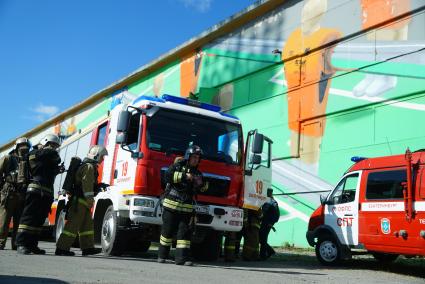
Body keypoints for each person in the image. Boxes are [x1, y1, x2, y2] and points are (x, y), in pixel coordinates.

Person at [158, 145, 207, 266]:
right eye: (194, 157)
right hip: (171, 206)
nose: (196, 160)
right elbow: (168, 176)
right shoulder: (178, 166)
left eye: (198, 158)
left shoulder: (198, 173)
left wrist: (202, 185)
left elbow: (203, 188)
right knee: (167, 232)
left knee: (184, 235)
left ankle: (181, 259)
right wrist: (185, 176)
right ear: (188, 157)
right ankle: (162, 256)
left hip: (186, 209)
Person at [55, 145, 108, 256]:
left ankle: (87, 248)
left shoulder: (89, 166)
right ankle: (61, 248)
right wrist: (90, 199)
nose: (102, 160)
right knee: (72, 226)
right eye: (102, 157)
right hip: (80, 201)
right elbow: (87, 184)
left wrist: (98, 187)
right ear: (96, 155)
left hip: (82, 202)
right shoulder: (89, 167)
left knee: (87, 226)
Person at [16, 134, 64, 255]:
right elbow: (48, 158)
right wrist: (49, 150)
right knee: (28, 218)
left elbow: (50, 167)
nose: (54, 148)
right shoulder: (35, 153)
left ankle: (32, 245)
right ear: (46, 143)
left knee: (39, 220)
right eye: (53, 145)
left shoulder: (48, 156)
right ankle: (21, 244)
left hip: (46, 192)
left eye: (56, 146)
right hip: (35, 189)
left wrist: (57, 170)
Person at [0, 137, 31, 250]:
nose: (25, 149)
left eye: (27, 147)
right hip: (9, 193)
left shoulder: (28, 161)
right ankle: (0, 242)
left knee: (19, 221)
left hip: (22, 194)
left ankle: (16, 243)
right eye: (22, 146)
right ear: (17, 147)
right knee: (4, 220)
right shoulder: (8, 158)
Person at [259, 188, 280, 260]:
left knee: (262, 238)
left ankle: (263, 256)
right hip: (267, 222)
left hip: (267, 223)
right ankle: (269, 251)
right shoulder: (271, 201)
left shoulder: (270, 201)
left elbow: (266, 213)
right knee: (262, 238)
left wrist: (270, 223)